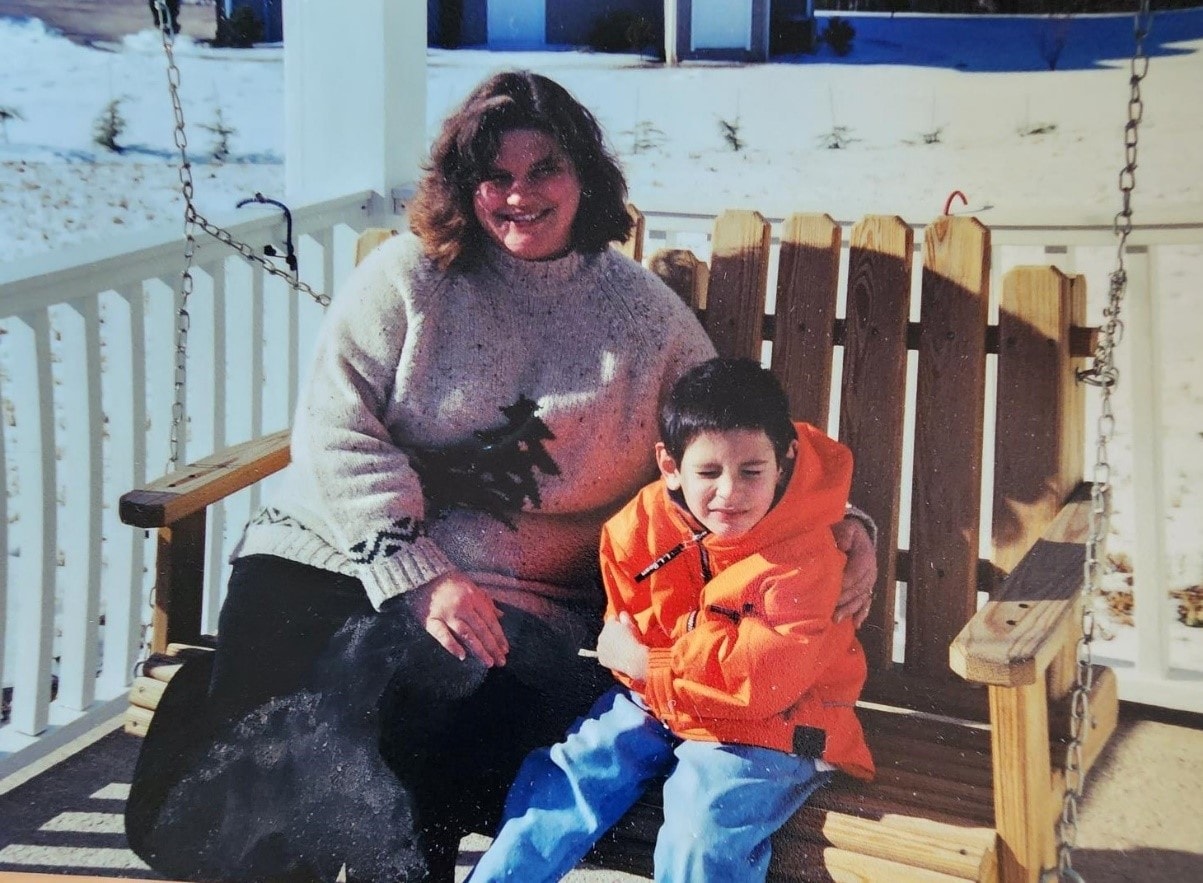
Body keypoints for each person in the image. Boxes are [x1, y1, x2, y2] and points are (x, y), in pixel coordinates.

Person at [125, 71, 877, 883]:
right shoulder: (409, 279)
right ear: (462, 185)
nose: (518, 195)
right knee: (294, 744)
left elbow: (730, 443)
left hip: (516, 601)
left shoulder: (646, 321)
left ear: (585, 176)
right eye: (494, 175)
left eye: (542, 169)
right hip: (328, 556)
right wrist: (416, 572)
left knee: (416, 737)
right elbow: (334, 428)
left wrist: (844, 526)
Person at [469, 358, 874, 882]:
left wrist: (644, 661)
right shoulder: (640, 527)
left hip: (773, 723)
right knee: (573, 773)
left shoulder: (806, 557)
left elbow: (757, 682)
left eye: (752, 471)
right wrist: (636, 656)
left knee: (701, 821)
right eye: (708, 473)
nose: (729, 493)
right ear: (670, 466)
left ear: (785, 459)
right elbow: (628, 619)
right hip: (659, 698)